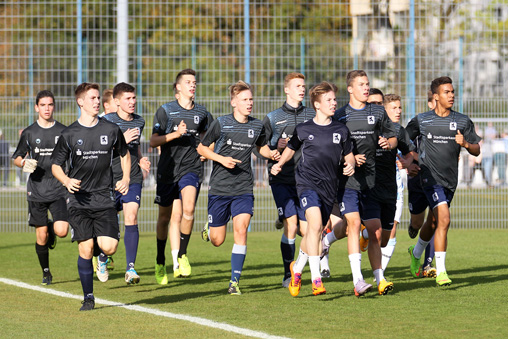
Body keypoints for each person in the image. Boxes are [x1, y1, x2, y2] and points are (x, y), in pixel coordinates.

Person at [51, 82, 131, 311]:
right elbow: (56, 165)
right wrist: (66, 180)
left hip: (104, 198)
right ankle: (88, 298)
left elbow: (124, 154)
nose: (97, 102)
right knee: (85, 249)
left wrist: (125, 178)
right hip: (79, 200)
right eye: (93, 98)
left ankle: (101, 255)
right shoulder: (69, 134)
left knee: (110, 247)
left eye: (98, 98)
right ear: (81, 102)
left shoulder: (110, 129)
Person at [272, 81, 355, 296]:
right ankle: (316, 279)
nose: (334, 103)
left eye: (335, 99)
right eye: (329, 100)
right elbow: (290, 150)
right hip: (307, 184)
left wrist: (351, 165)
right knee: (315, 225)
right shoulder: (303, 129)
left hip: (330, 188)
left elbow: (349, 156)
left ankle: (297, 268)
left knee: (314, 233)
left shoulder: (341, 130)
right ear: (317, 105)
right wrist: (280, 164)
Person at [198, 80, 279, 295]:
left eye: (251, 99)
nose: (249, 103)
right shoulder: (221, 124)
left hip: (243, 187)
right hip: (220, 188)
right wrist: (221, 159)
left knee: (241, 230)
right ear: (234, 102)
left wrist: (271, 153)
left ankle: (234, 282)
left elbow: (261, 147)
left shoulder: (257, 125)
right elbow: (202, 148)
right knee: (217, 240)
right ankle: (210, 226)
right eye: (245, 99)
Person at [322, 71, 398, 297]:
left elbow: (393, 137)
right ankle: (358, 280)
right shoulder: (341, 115)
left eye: (368, 84)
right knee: (354, 224)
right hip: (348, 182)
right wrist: (350, 157)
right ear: (351, 89)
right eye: (361, 85)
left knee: (375, 233)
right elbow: (330, 148)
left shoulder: (377, 111)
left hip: (371, 182)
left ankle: (380, 279)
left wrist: (388, 142)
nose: (366, 88)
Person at [407, 76, 481, 286]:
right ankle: (440, 271)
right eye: (447, 92)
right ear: (436, 96)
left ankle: (416, 252)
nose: (451, 95)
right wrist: (409, 159)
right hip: (429, 178)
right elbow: (404, 139)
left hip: (450, 181)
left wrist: (466, 143)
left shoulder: (462, 121)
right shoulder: (422, 120)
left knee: (433, 221)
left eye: (452, 91)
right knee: (445, 220)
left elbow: (477, 150)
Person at [150, 69, 213, 283]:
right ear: (178, 87)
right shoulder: (166, 111)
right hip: (168, 170)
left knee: (188, 209)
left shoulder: (203, 113)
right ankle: (160, 259)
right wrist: (176, 134)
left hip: (191, 168)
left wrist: (207, 151)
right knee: (166, 218)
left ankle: (182, 255)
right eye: (188, 82)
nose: (192, 85)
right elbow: (153, 141)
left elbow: (212, 136)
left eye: (194, 82)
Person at [262, 72, 315, 287]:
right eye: (297, 86)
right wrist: (275, 150)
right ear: (287, 90)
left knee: (307, 230)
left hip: (306, 179)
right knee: (292, 226)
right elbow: (260, 147)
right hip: (281, 178)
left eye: (303, 86)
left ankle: (309, 264)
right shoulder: (273, 118)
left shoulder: (312, 115)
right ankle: (288, 274)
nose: (301, 89)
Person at [12, 90, 69, 285]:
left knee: (62, 231)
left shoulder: (63, 131)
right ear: (37, 107)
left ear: (54, 107)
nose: (47, 108)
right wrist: (23, 163)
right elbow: (17, 157)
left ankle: (52, 227)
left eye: (50, 104)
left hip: (58, 187)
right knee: (41, 235)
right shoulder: (29, 132)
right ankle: (46, 272)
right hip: (36, 189)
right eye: (43, 105)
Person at [103, 82, 150, 284]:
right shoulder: (105, 122)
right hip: (109, 179)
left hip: (132, 177)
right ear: (116, 102)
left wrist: (141, 159)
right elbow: (99, 151)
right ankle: (102, 258)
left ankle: (131, 269)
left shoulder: (139, 121)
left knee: (131, 216)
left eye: (133, 98)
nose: (132, 102)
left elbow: (135, 148)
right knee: (109, 223)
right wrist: (121, 139)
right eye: (127, 99)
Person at [369, 93, 414, 274]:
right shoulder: (368, 127)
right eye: (393, 108)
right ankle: (379, 276)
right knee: (367, 228)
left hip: (392, 185)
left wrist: (407, 163)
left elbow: (410, 153)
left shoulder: (399, 130)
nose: (398, 111)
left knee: (387, 235)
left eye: (399, 107)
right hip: (369, 185)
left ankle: (380, 273)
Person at [406, 91, 438, 277]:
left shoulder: (450, 124)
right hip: (417, 178)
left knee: (436, 220)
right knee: (418, 223)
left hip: (438, 180)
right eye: (435, 101)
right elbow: (405, 147)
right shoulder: (419, 123)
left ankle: (428, 264)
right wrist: (419, 159)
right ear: (429, 103)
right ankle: (413, 233)